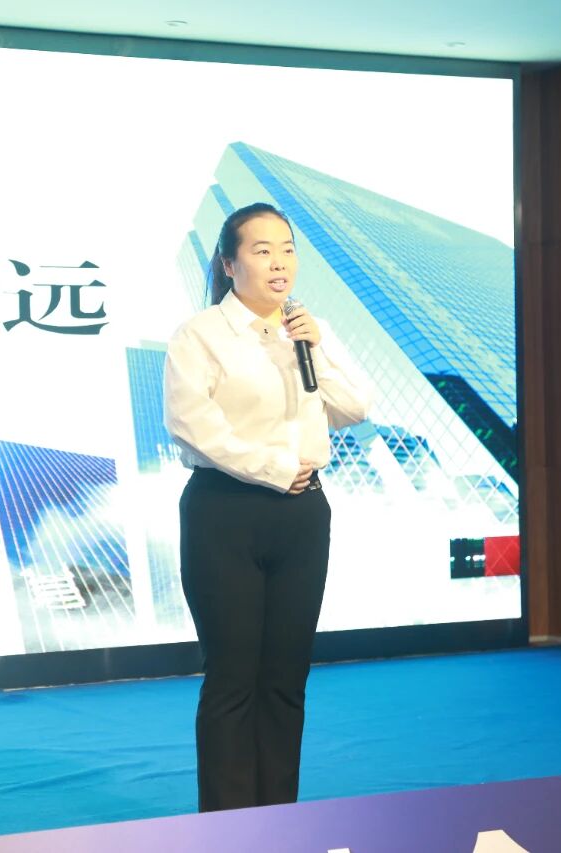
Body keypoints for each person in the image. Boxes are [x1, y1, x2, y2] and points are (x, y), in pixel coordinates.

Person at [162, 202, 371, 812]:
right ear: (229, 265)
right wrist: (274, 468)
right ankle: (228, 830)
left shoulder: (308, 330)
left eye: (287, 249)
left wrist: (316, 348)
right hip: (225, 513)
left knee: (285, 677)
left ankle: (280, 822)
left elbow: (355, 407)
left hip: (302, 516)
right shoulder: (200, 335)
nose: (279, 262)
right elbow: (193, 426)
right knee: (233, 678)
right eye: (262, 250)